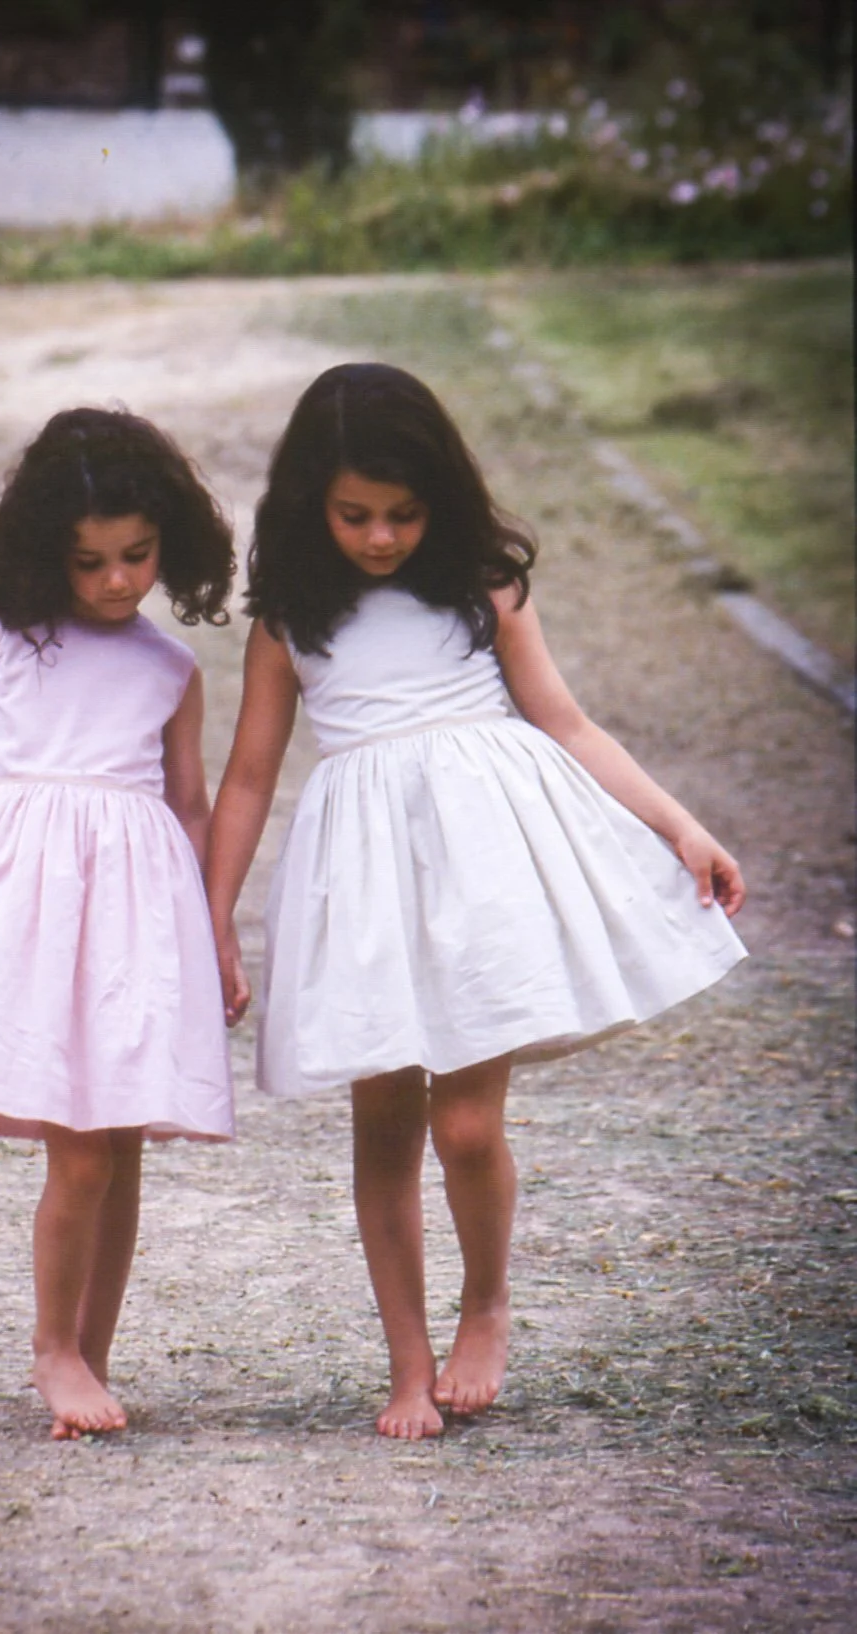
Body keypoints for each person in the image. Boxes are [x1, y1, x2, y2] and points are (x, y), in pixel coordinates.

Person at [205, 362, 746, 1442]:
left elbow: (567, 721)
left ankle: (484, 1300)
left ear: (437, 498)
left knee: (463, 1124)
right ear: (311, 497)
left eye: (402, 514)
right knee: (382, 1131)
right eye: (353, 514)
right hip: (362, 882)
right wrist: (209, 915)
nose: (377, 537)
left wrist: (677, 822)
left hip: (478, 868)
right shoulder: (289, 615)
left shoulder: (481, 585)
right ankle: (405, 1364)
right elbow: (251, 775)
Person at [0, 406, 236, 1440]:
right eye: (89, 561)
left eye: (136, 555)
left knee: (117, 1141)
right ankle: (51, 1346)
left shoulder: (171, 669)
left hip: (133, 912)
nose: (118, 580)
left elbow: (190, 803)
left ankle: (89, 1350)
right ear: (44, 551)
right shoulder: (3, 636)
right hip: (27, 906)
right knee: (76, 1149)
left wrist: (214, 934)